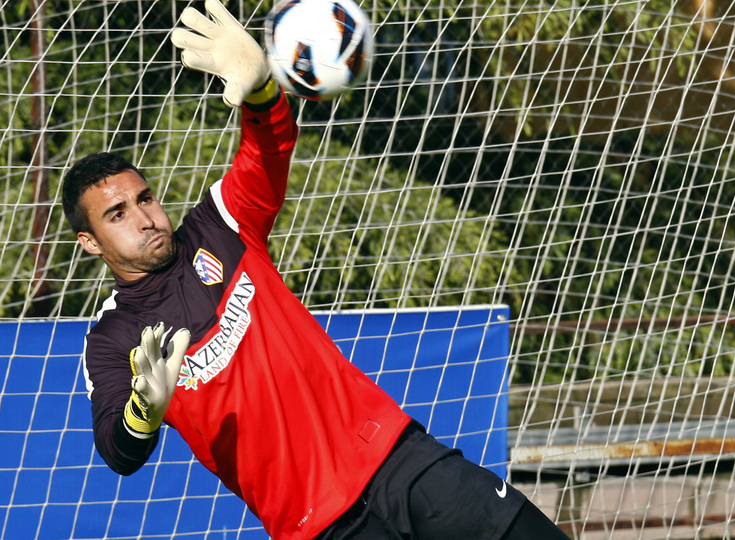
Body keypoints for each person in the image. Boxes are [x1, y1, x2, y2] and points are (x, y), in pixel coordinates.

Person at [62, 1, 569, 539]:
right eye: (118, 214)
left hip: (396, 457)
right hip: (318, 525)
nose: (144, 217)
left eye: (145, 198)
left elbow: (268, 149)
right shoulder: (113, 339)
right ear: (90, 243)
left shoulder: (220, 226)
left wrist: (260, 91)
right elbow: (116, 451)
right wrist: (144, 410)